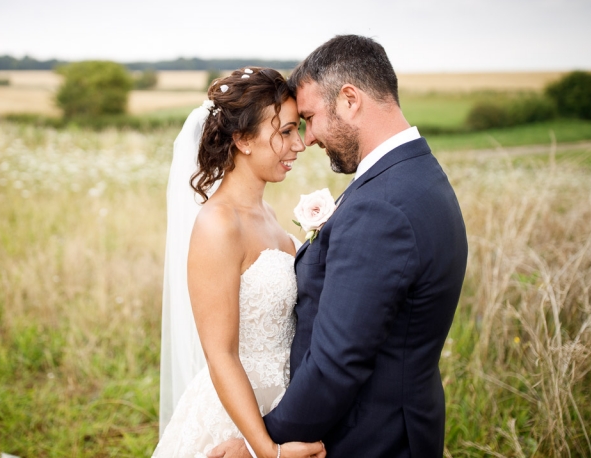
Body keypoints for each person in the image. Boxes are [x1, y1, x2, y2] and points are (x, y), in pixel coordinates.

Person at [209, 36, 468, 458]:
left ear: (349, 100)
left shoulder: (381, 207)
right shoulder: (418, 175)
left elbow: (337, 362)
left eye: (309, 118)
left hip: (369, 439)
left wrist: (263, 447)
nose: (307, 139)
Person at [154, 67, 326, 458]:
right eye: (284, 131)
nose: (298, 145)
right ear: (243, 140)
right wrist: (266, 450)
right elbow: (221, 354)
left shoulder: (266, 211)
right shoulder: (218, 224)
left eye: (297, 129)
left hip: (283, 403)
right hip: (237, 418)